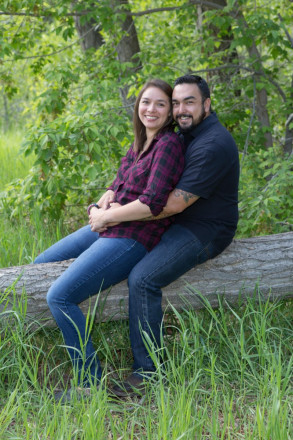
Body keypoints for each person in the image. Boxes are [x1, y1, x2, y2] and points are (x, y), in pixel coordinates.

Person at [33, 79, 185, 402]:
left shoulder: (168, 145)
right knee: (37, 266)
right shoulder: (139, 143)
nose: (151, 109)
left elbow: (153, 203)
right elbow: (119, 185)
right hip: (107, 226)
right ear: (137, 106)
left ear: (170, 111)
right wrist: (103, 201)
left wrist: (107, 216)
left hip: (132, 237)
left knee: (59, 296)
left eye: (160, 104)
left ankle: (91, 385)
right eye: (146, 102)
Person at [95, 74, 240, 397]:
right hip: (175, 222)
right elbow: (142, 165)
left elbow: (171, 204)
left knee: (143, 278)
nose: (180, 109)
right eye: (176, 103)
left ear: (207, 104)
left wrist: (111, 216)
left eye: (189, 102)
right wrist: (111, 192)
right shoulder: (185, 133)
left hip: (205, 229)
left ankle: (148, 374)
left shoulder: (213, 144)